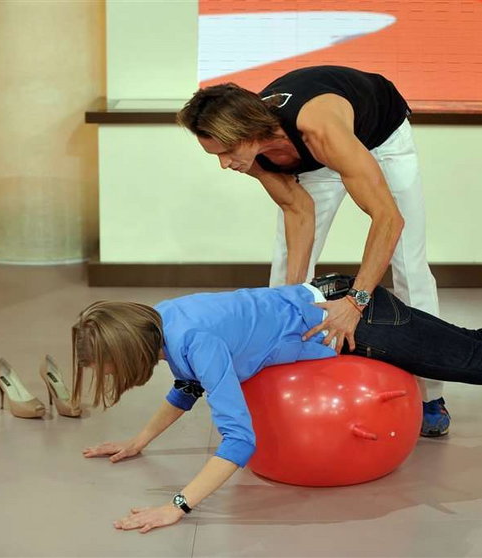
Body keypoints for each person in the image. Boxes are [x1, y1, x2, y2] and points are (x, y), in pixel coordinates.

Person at [78, 275, 482, 534]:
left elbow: (240, 440)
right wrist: (138, 441)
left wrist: (177, 505)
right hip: (334, 302)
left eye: (102, 363)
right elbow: (188, 387)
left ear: (128, 346)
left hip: (359, 322)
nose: (102, 373)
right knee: (477, 346)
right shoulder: (165, 320)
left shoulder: (195, 341)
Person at [176, 65, 451, 437]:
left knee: (408, 265)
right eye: (215, 155)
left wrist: (355, 302)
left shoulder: (320, 129)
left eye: (225, 152)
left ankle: (430, 395)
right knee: (286, 268)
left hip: (381, 136)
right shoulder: (255, 154)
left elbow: (388, 219)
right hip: (307, 150)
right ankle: (274, 372)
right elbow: (298, 210)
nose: (224, 164)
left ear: (248, 134)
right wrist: (292, 297)